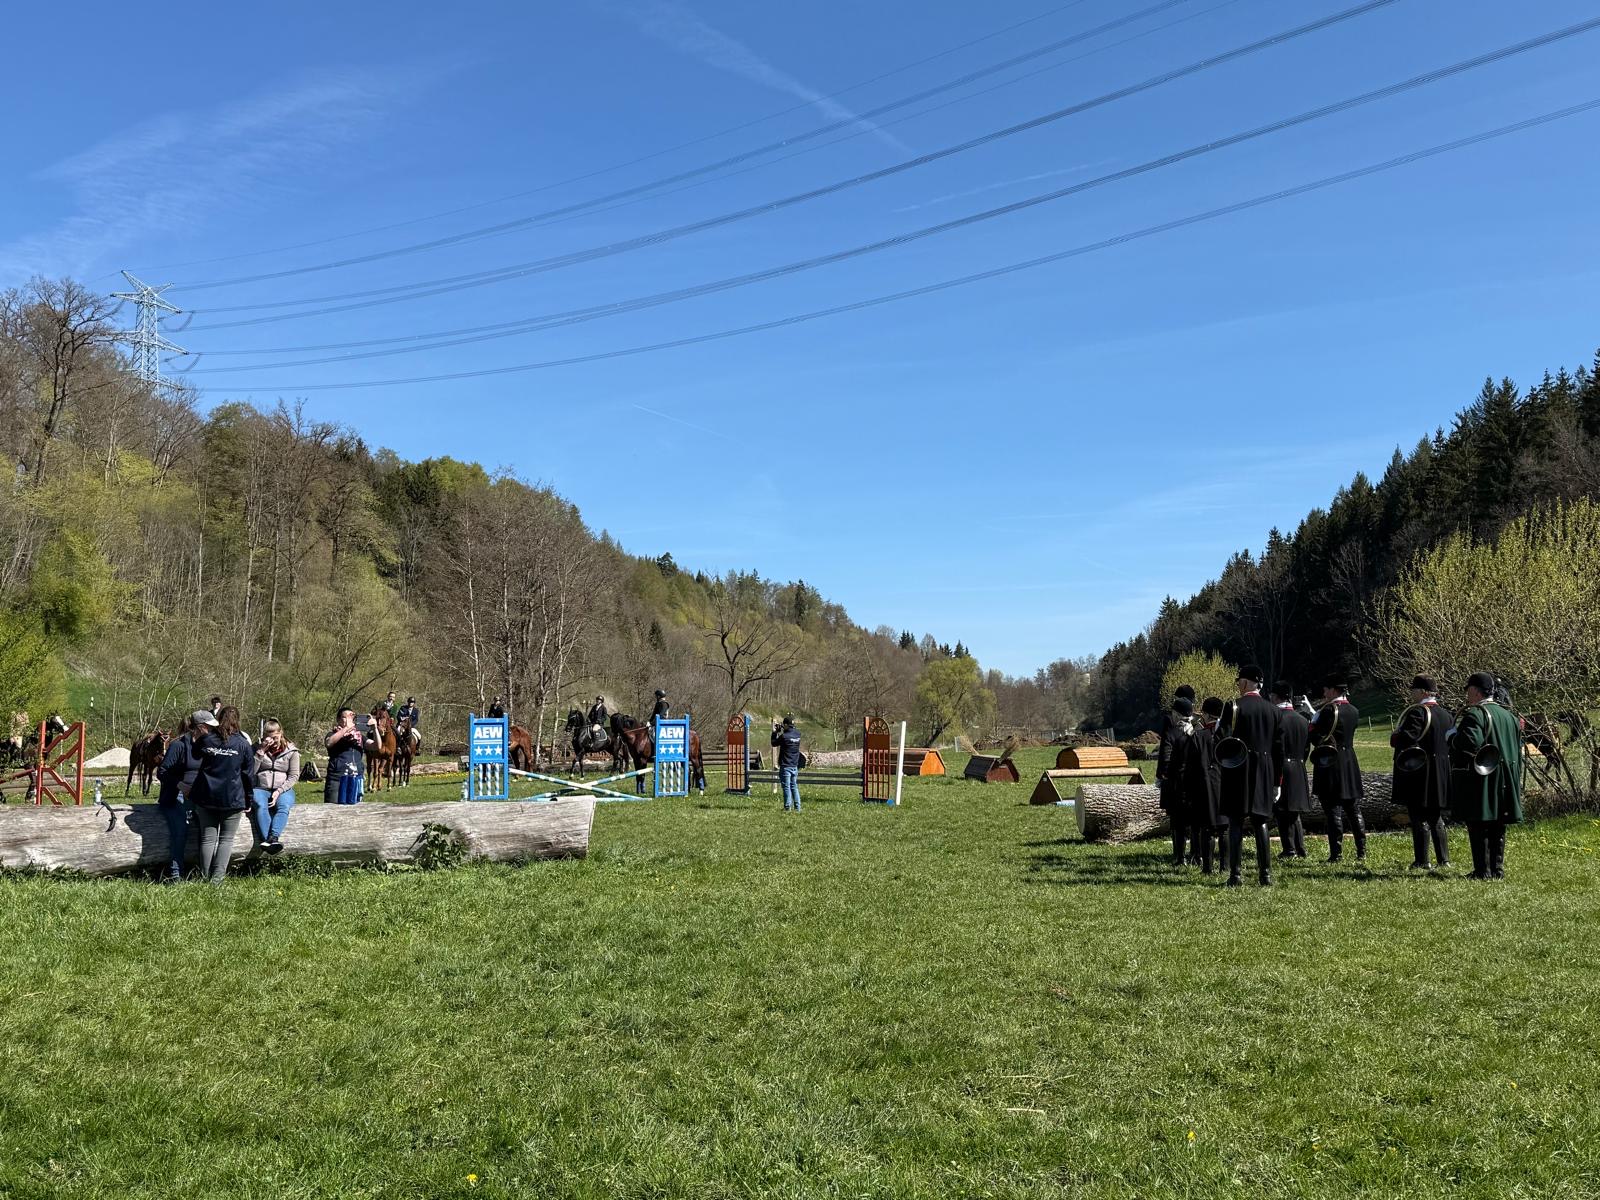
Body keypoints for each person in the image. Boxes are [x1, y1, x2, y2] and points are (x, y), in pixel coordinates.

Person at [1452, 671, 1523, 880]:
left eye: (1468, 691)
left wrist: (1452, 738)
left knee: (1478, 824)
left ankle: (1482, 870)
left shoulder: (1476, 714)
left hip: (1484, 777)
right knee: (1498, 824)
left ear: (1474, 691)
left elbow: (1469, 745)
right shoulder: (1510, 716)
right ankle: (1497, 869)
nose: (1467, 696)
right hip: (1506, 776)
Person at [1217, 665, 1277, 887]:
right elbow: (1278, 749)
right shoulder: (1273, 710)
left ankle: (1236, 875)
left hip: (1237, 768)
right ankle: (1265, 875)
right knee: (1261, 822)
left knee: (1235, 822)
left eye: (1239, 681)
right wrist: (1276, 781)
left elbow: (1221, 740)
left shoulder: (1232, 706)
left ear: (1244, 682)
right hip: (1264, 770)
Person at [1390, 675, 1453, 870]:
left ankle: (1422, 860)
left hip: (1420, 772)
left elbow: (1407, 738)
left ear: (1424, 692)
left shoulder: (1418, 713)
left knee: (1418, 816)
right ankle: (1444, 859)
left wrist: (1396, 735)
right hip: (1440, 772)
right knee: (1436, 817)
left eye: (1414, 690)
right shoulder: (1446, 714)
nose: (1412, 693)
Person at [187, 705, 255, 883]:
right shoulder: (243, 745)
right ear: (237, 720)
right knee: (226, 840)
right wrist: (249, 798)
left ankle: (204, 876)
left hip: (205, 795)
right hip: (232, 798)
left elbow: (194, 754)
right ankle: (217, 880)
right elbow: (248, 775)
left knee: (207, 839)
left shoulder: (207, 740)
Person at [1310, 676, 1366, 863]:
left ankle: (1336, 853)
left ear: (1334, 690)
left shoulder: (1327, 711)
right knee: (1353, 809)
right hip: (1349, 760)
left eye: (1326, 690)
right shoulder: (1354, 710)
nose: (1324, 693)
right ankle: (1361, 850)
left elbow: (1316, 737)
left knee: (1333, 809)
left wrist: (1313, 722)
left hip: (1330, 761)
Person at [154, 709, 211, 882]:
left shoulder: (206, 746)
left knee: (208, 829)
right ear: (200, 728)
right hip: (176, 795)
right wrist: (180, 785)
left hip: (199, 795)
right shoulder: (178, 745)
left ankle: (204, 871)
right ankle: (176, 873)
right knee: (181, 828)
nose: (212, 731)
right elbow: (161, 772)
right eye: (209, 727)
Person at [1181, 698, 1226, 875]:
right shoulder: (1227, 734)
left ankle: (1207, 867)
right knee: (1224, 829)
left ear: (1206, 715)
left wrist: (1188, 791)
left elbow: (1190, 767)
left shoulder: (1198, 736)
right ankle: (1225, 866)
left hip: (1204, 785)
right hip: (1225, 785)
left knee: (1207, 829)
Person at [1270, 681, 1312, 861]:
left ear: (1275, 696)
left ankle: (1289, 848)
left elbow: (1275, 747)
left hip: (1282, 765)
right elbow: (1306, 748)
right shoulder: (1302, 719)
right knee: (1294, 810)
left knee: (1281, 810)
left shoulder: (1275, 718)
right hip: (1299, 764)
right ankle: (1300, 847)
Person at [1156, 694, 1195, 867]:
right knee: (1195, 822)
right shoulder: (1197, 733)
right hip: (1194, 782)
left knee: (1177, 822)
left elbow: (1165, 758)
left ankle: (1180, 858)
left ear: (1177, 714)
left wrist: (1162, 776)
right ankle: (1196, 855)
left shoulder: (1171, 733)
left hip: (1176, 782)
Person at [251, 718, 300, 853]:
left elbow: (294, 776)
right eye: (269, 737)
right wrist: (260, 752)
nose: (272, 741)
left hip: (283, 788)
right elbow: (250, 772)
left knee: (284, 806)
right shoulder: (256, 748)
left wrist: (279, 791)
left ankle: (273, 837)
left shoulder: (291, 751)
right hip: (261, 787)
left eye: (275, 737)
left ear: (281, 734)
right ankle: (268, 841)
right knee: (261, 805)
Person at [324, 707, 366, 805]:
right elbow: (329, 743)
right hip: (337, 779)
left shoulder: (359, 736)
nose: (349, 719)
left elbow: (377, 746)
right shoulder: (333, 734)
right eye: (345, 717)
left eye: (351, 716)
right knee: (332, 810)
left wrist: (375, 728)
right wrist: (347, 728)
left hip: (356, 778)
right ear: (338, 720)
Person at [772, 716, 803, 813]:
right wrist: (783, 730)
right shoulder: (798, 735)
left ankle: (787, 808)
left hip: (785, 766)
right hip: (794, 765)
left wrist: (775, 732)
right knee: (794, 786)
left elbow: (774, 743)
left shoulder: (784, 736)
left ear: (785, 725)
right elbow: (790, 735)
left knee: (786, 787)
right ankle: (797, 808)